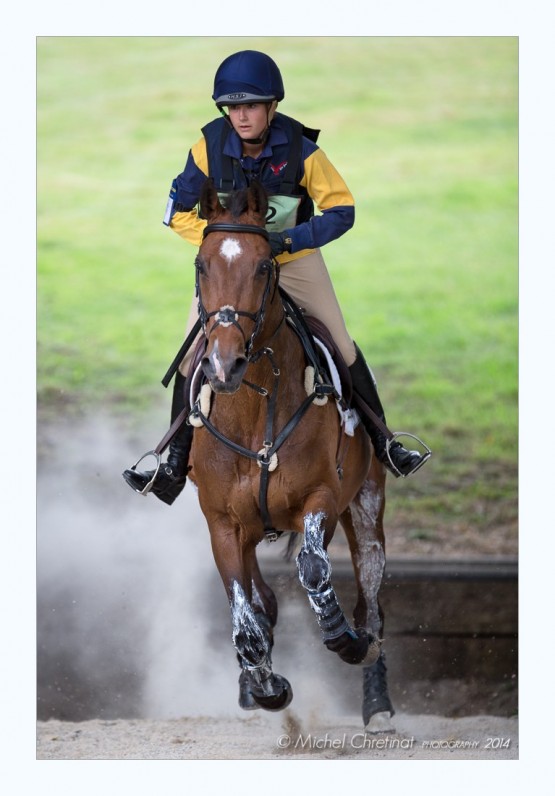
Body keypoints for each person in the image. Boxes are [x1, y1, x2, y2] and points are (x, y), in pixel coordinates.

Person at [123, 49, 430, 505]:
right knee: (191, 355)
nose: (241, 116)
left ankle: (386, 443)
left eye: (251, 106)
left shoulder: (303, 151)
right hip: (234, 269)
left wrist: (288, 240)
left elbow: (342, 210)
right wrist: (228, 246)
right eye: (232, 108)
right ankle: (172, 464)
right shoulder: (206, 148)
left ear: (272, 107)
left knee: (341, 344)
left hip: (293, 258)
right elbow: (176, 213)